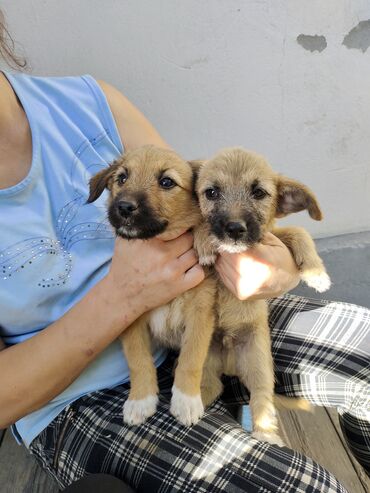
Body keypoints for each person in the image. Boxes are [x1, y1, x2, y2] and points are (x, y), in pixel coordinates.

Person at [0, 10, 368, 492]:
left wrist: (276, 261)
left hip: (213, 313)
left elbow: (206, 199)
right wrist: (122, 297)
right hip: (80, 396)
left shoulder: (93, 102)